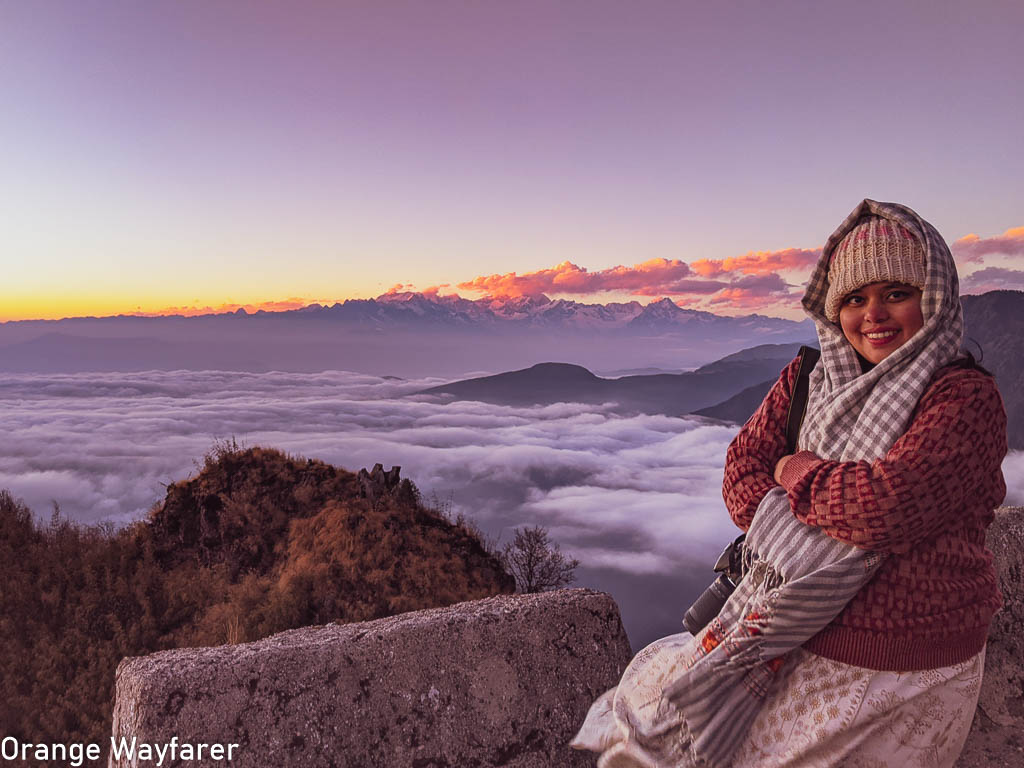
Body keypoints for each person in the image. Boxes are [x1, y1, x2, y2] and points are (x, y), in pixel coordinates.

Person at [571, 199, 1007, 768]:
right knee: (660, 715)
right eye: (855, 298)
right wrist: (828, 501)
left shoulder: (963, 398)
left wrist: (793, 470)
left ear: (933, 298)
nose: (873, 314)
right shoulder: (808, 378)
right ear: (832, 309)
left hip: (903, 666)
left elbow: (885, 506)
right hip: (790, 637)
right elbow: (739, 476)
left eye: (896, 293)